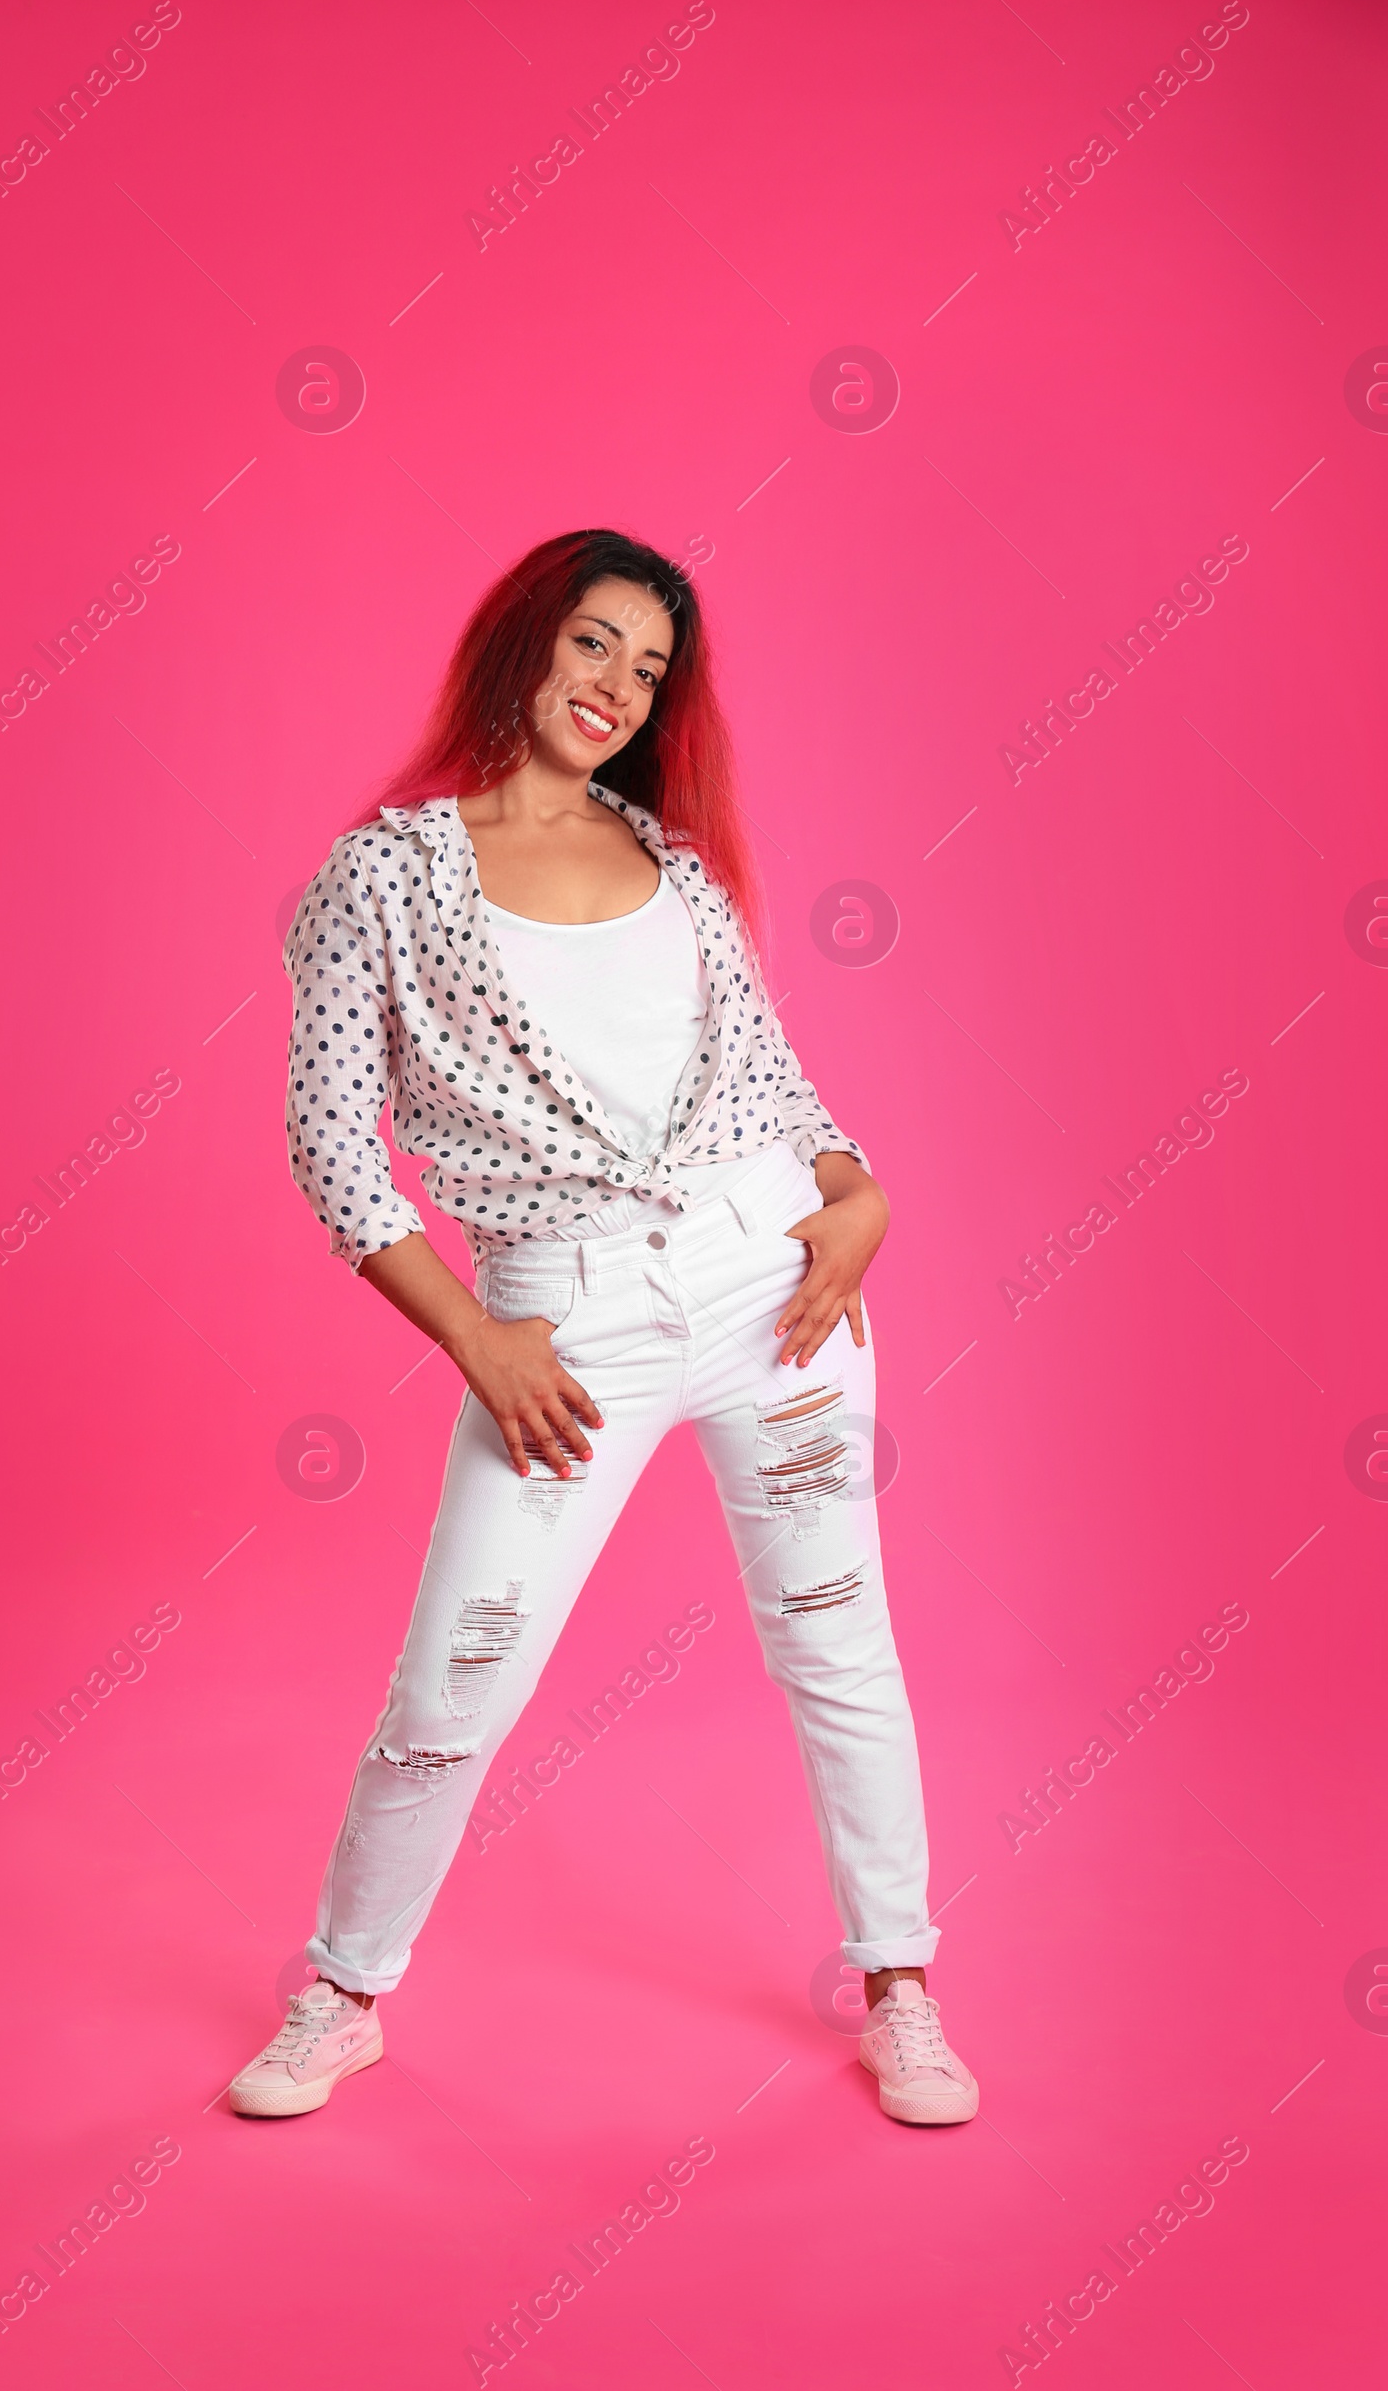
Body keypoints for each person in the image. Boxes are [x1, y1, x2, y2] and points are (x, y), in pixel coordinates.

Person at [230, 529, 977, 2128]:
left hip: (775, 1291)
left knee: (839, 1646)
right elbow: (331, 1141)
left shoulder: (676, 867)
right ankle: (343, 1992)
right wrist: (472, 1339)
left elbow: (778, 1087)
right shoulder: (387, 870)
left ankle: (900, 1981)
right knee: (452, 1683)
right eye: (594, 646)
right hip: (562, 1322)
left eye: (648, 671)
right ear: (523, 642)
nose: (618, 690)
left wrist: (858, 1197)